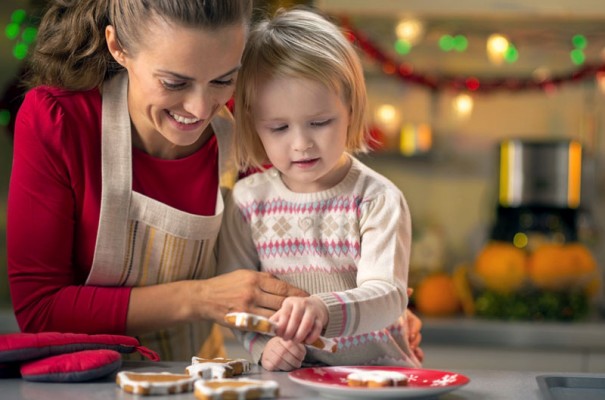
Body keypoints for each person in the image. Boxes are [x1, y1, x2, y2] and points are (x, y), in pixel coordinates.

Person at [7, 0, 424, 362]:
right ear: (119, 47)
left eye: (224, 79)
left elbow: (296, 249)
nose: (201, 107)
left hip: (202, 378)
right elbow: (40, 309)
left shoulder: (251, 135)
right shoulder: (58, 121)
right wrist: (201, 298)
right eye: (175, 82)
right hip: (83, 382)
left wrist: (362, 310)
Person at [218, 7, 422, 371]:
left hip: (380, 379)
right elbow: (236, 302)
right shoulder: (246, 203)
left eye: (320, 122)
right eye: (279, 128)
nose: (301, 144)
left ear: (351, 109)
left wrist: (322, 310)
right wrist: (263, 348)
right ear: (253, 122)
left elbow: (388, 297)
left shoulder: (376, 199)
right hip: (294, 380)